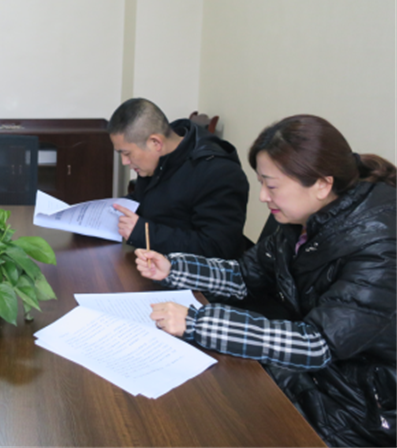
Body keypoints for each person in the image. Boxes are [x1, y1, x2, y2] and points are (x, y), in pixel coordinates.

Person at [136, 115, 397, 448]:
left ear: (322, 184)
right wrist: (174, 268)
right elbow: (246, 275)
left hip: (366, 404)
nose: (262, 196)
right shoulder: (302, 222)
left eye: (271, 186)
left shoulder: (380, 246)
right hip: (321, 375)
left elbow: (317, 344)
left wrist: (198, 323)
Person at [108, 98, 249, 258]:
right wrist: (113, 209)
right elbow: (146, 198)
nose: (125, 162)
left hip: (187, 271)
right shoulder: (159, 159)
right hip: (152, 261)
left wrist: (144, 233)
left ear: (155, 143)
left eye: (127, 153)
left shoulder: (219, 173)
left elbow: (217, 248)